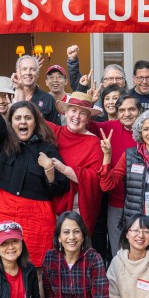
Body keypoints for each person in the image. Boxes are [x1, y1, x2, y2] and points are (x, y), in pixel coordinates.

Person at [0, 85, 69, 298]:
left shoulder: (48, 147)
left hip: (38, 215)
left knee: (37, 270)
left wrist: (49, 169)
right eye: (17, 117)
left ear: (35, 121)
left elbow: (60, 187)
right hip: (6, 209)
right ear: (11, 122)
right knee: (3, 266)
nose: (23, 121)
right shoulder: (3, 141)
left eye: (28, 117)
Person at [100, 110, 149, 256]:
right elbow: (106, 185)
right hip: (136, 227)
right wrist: (107, 156)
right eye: (146, 129)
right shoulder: (130, 155)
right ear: (140, 132)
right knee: (136, 274)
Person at [36, 92, 105, 234]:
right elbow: (29, 116)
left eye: (83, 113)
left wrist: (64, 169)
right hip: (49, 206)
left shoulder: (94, 142)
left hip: (76, 210)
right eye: (73, 110)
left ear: (88, 119)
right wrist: (19, 88)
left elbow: (95, 178)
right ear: (65, 113)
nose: (76, 116)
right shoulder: (55, 132)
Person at [89, 94, 140, 255]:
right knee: (118, 252)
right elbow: (85, 124)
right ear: (117, 113)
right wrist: (89, 103)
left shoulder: (148, 130)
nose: (127, 114)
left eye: (131, 109)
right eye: (122, 110)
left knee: (141, 250)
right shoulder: (110, 127)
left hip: (142, 204)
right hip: (116, 202)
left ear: (140, 111)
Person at [12, 55, 59, 125]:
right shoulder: (8, 96)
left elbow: (56, 131)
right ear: (17, 72)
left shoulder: (49, 99)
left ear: (38, 74)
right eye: (24, 69)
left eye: (32, 69)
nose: (28, 73)